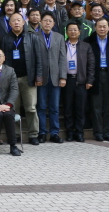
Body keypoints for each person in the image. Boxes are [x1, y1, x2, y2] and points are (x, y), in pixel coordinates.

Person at [0, 13, 44, 145]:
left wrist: (38, 76)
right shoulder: (5, 39)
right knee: (14, 108)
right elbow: (1, 60)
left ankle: (33, 134)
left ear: (24, 22)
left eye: (19, 20)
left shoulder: (32, 37)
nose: (16, 23)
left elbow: (39, 58)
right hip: (11, 80)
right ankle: (15, 134)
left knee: (31, 108)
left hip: (28, 78)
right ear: (10, 24)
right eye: (14, 21)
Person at [85, 18, 109, 142]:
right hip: (95, 76)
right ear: (95, 27)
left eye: (104, 26)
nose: (102, 29)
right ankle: (98, 132)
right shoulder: (88, 41)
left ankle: (108, 132)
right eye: (99, 26)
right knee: (96, 106)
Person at [36, 12, 68, 143]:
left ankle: (54, 133)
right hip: (41, 77)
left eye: (50, 21)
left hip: (56, 77)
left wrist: (63, 77)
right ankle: (42, 132)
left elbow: (62, 58)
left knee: (54, 107)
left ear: (54, 23)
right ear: (41, 22)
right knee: (41, 106)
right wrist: (37, 76)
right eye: (45, 20)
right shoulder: (35, 36)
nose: (47, 23)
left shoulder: (59, 37)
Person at [63, 22, 95, 142]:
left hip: (81, 81)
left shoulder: (86, 46)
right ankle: (70, 132)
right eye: (70, 30)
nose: (73, 32)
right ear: (66, 32)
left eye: (75, 30)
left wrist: (90, 80)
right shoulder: (62, 45)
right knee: (68, 108)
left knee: (80, 108)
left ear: (79, 32)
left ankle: (79, 132)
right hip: (67, 80)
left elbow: (91, 65)